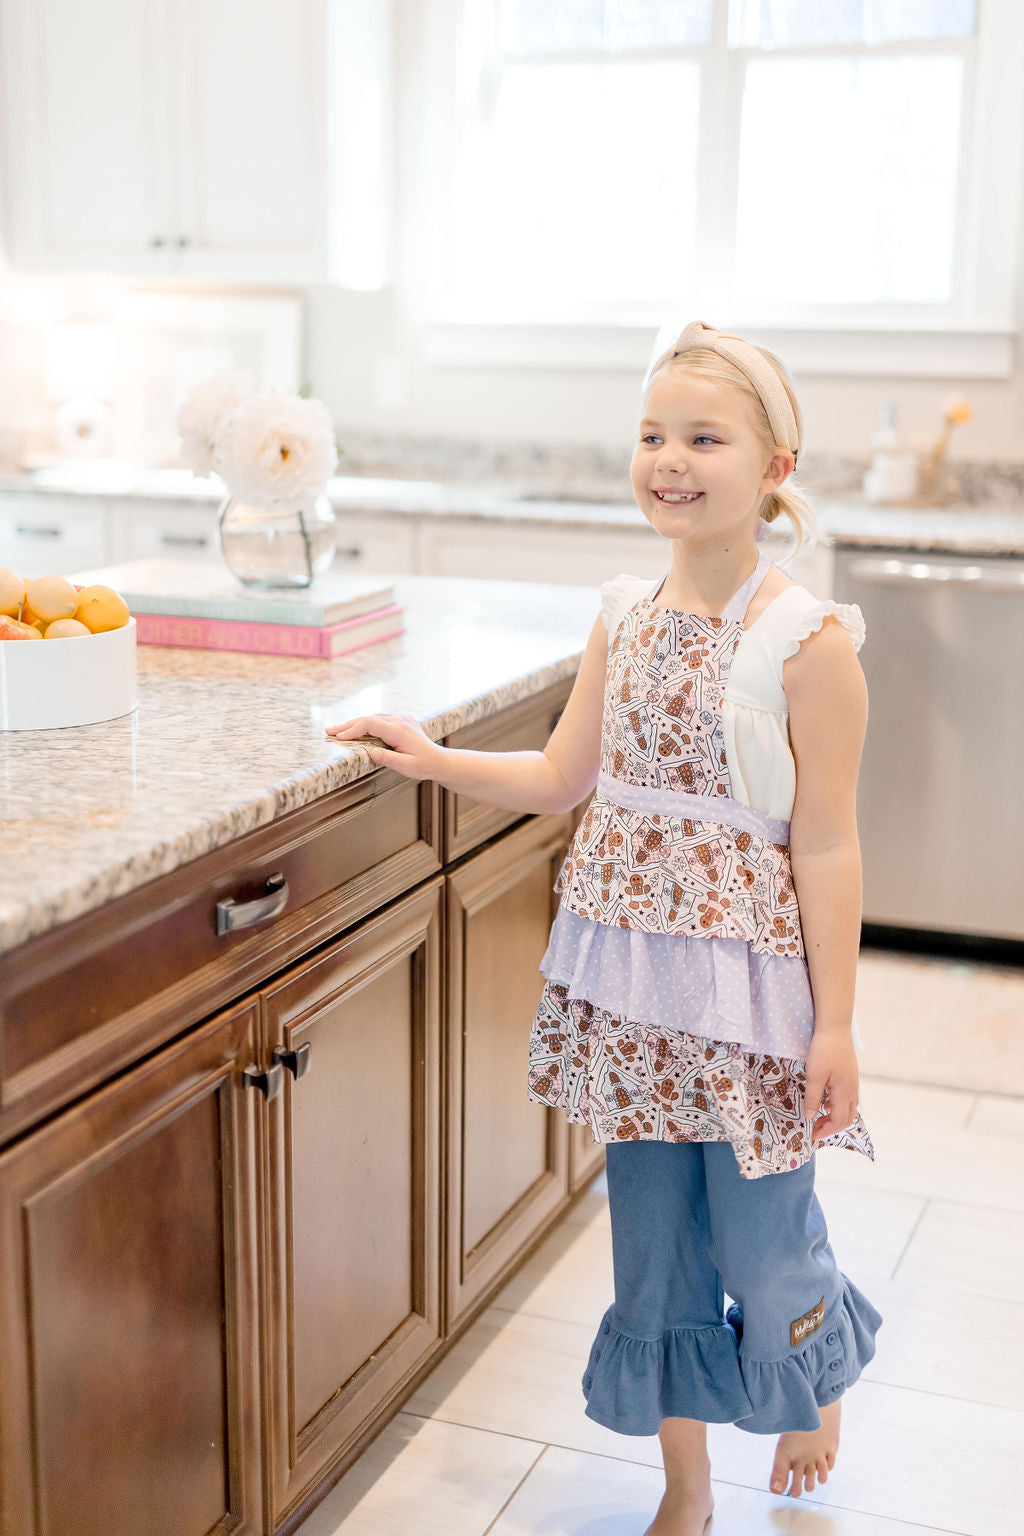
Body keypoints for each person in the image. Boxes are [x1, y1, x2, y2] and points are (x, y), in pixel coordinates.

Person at [324, 318, 883, 1535]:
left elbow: (827, 844)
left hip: (748, 1008)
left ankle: (810, 1377)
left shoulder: (808, 643)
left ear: (775, 465)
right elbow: (560, 777)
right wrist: (431, 756)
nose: (668, 460)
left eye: (703, 437)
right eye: (649, 434)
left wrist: (835, 1026)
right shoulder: (621, 616)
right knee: (653, 1244)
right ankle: (685, 1478)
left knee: (762, 1231)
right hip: (628, 1002)